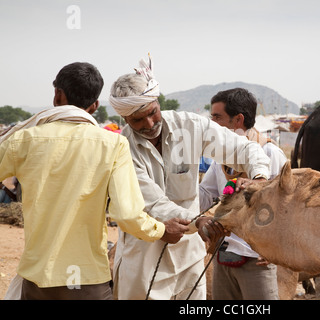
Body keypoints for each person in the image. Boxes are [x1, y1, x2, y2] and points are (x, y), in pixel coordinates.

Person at [0, 62, 189, 300]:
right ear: (95, 105)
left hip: (37, 278)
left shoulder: (23, 140)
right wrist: (161, 229)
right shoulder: (113, 145)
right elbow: (128, 215)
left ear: (57, 95)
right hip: (87, 279)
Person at [109, 54, 271, 300]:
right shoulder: (122, 148)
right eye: (137, 120)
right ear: (124, 118)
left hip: (190, 257)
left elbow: (242, 148)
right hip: (144, 257)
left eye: (152, 112)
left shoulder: (190, 126)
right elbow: (153, 203)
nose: (149, 123)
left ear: (157, 101)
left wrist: (259, 177)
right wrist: (200, 222)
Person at [199, 88, 287, 300]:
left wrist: (276, 247)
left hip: (257, 259)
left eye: (217, 117)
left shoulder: (270, 153)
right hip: (224, 255)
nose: (212, 124)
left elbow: (289, 204)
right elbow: (204, 194)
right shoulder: (221, 156)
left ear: (238, 119)